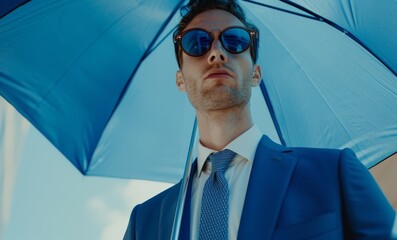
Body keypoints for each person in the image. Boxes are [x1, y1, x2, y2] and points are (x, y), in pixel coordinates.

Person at [124, 0, 396, 239]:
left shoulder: (333, 172)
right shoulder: (145, 222)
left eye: (235, 41)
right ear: (180, 79)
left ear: (255, 73)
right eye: (197, 42)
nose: (217, 53)